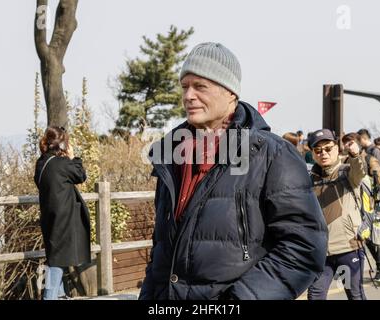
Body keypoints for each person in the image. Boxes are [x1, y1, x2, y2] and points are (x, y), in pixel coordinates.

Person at [140, 42, 328, 300]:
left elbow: (304, 248)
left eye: (200, 86)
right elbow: (161, 251)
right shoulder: (170, 158)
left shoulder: (272, 154)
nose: (188, 96)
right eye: (185, 87)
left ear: (230, 92)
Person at [307, 129, 367, 300]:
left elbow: (359, 171)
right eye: (318, 150)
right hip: (320, 252)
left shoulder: (347, 172)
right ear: (312, 153)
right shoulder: (308, 179)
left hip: (347, 248)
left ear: (337, 149)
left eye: (328, 148)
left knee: (354, 295)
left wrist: (355, 155)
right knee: (315, 295)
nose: (323, 153)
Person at [34, 126, 91, 300]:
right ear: (62, 144)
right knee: (56, 264)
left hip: (49, 219)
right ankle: (50, 296)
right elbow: (81, 175)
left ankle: (59, 295)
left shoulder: (41, 163)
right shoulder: (63, 164)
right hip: (64, 220)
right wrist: (73, 157)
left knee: (56, 258)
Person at [342, 133, 380, 282]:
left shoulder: (368, 158)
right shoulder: (345, 159)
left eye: (350, 142)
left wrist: (370, 178)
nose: (348, 145)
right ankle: (354, 272)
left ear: (358, 143)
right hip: (350, 203)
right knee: (355, 237)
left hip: (366, 204)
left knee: (370, 238)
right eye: (345, 143)